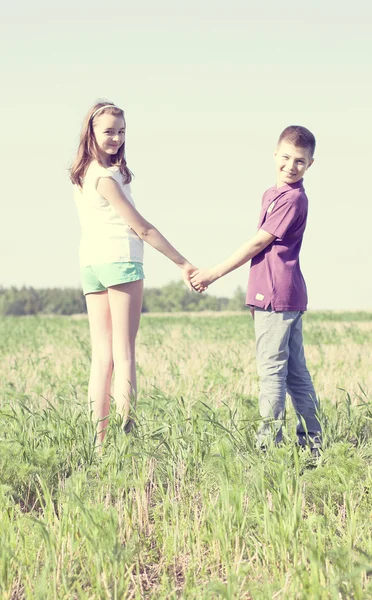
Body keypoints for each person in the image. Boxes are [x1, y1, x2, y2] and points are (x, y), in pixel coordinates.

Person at [70, 101, 196, 445]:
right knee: (123, 354)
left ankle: (99, 444)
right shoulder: (106, 178)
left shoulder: (83, 174)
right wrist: (182, 262)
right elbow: (141, 228)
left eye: (121, 131)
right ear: (91, 133)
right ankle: (126, 440)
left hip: (91, 264)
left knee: (101, 356)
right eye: (109, 131)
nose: (116, 138)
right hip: (121, 261)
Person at [191, 126, 322, 453]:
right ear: (275, 155)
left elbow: (258, 243)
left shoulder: (292, 199)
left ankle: (270, 452)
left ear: (311, 164)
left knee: (272, 375)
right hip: (279, 295)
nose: (292, 166)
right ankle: (312, 446)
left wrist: (213, 273)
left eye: (300, 162)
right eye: (287, 157)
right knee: (294, 375)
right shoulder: (271, 195)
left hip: (278, 296)